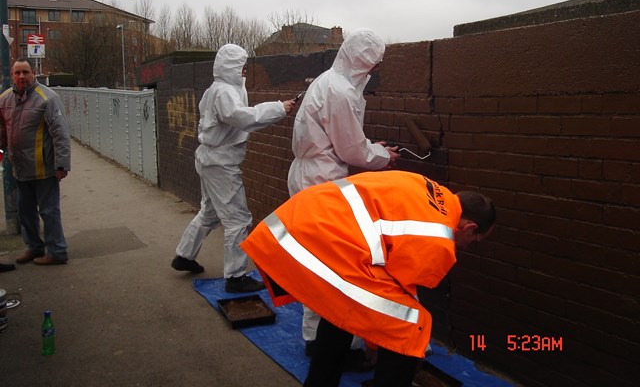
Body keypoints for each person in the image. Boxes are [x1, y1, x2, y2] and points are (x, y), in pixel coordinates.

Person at [241, 170, 495, 387]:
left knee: (342, 305)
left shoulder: (426, 186)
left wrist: (372, 336)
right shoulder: (439, 238)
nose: (468, 246)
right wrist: (375, 343)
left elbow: (385, 289)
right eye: (474, 241)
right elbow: (397, 300)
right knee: (411, 326)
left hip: (298, 224)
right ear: (469, 227)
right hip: (321, 239)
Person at [287, 27, 400, 355]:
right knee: (335, 263)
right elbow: (351, 150)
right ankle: (332, 345)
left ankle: (315, 336)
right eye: (374, 63)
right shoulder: (340, 90)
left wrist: (367, 146)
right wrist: (382, 156)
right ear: (363, 61)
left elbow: (342, 138)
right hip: (321, 182)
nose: (376, 70)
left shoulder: (329, 80)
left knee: (317, 260)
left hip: (312, 174)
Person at [171, 44, 296, 293]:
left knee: (209, 212)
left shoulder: (217, 89)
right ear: (231, 67)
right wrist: (279, 108)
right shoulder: (225, 92)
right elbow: (243, 118)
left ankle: (184, 256)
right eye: (242, 67)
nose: (245, 71)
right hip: (221, 164)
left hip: (210, 159)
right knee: (238, 218)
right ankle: (236, 277)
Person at [0, 58, 71, 266]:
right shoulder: (4, 99)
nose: (21, 77)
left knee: (49, 212)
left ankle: (57, 251)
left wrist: (62, 164)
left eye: (26, 72)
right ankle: (34, 247)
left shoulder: (47, 98)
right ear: (12, 75)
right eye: (17, 73)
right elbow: (2, 132)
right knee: (26, 212)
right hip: (19, 168)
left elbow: (60, 133)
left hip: (44, 168)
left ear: (33, 74)